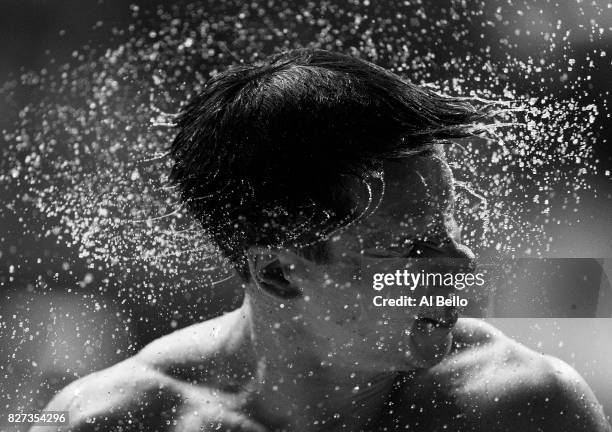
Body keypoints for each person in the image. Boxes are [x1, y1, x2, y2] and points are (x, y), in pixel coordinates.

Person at [34, 49, 611, 431]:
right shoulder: (112, 421)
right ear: (280, 273)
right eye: (410, 247)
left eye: (448, 230)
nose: (460, 265)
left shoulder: (526, 406)